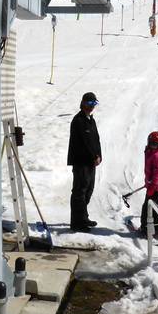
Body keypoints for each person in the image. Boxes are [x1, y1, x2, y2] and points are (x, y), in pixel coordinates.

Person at [67, 92, 101, 232]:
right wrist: (94, 156)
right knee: (79, 191)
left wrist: (99, 155)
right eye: (90, 103)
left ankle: (83, 217)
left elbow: (96, 140)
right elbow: (84, 143)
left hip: (90, 162)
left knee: (88, 190)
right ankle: (77, 222)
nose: (92, 106)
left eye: (94, 104)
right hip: (81, 162)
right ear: (83, 103)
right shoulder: (79, 120)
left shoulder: (90, 120)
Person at [140, 131, 158, 238]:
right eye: (150, 143)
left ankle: (148, 228)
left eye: (154, 144)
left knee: (149, 207)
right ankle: (155, 229)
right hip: (152, 183)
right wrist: (147, 181)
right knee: (153, 206)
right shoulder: (151, 151)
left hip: (156, 186)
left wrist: (152, 187)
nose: (152, 146)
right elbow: (149, 169)